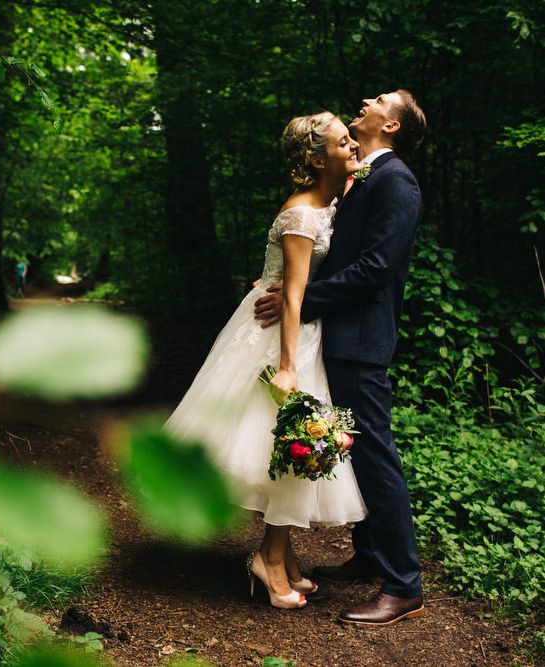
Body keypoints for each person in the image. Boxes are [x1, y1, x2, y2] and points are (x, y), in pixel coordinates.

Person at [165, 112, 367, 610]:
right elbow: (293, 297)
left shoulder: (331, 200)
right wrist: (288, 366)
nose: (354, 147)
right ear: (319, 160)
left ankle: (283, 555)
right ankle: (269, 561)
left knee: (290, 449)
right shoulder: (302, 215)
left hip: (301, 332)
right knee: (289, 446)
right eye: (345, 143)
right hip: (282, 337)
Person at [254, 90, 427, 625]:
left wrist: (298, 301)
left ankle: (404, 584)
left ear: (392, 125)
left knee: (373, 452)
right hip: (335, 334)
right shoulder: (360, 176)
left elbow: (374, 268)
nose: (366, 101)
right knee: (354, 446)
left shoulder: (396, 180)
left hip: (360, 338)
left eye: (379, 100)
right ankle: (371, 555)